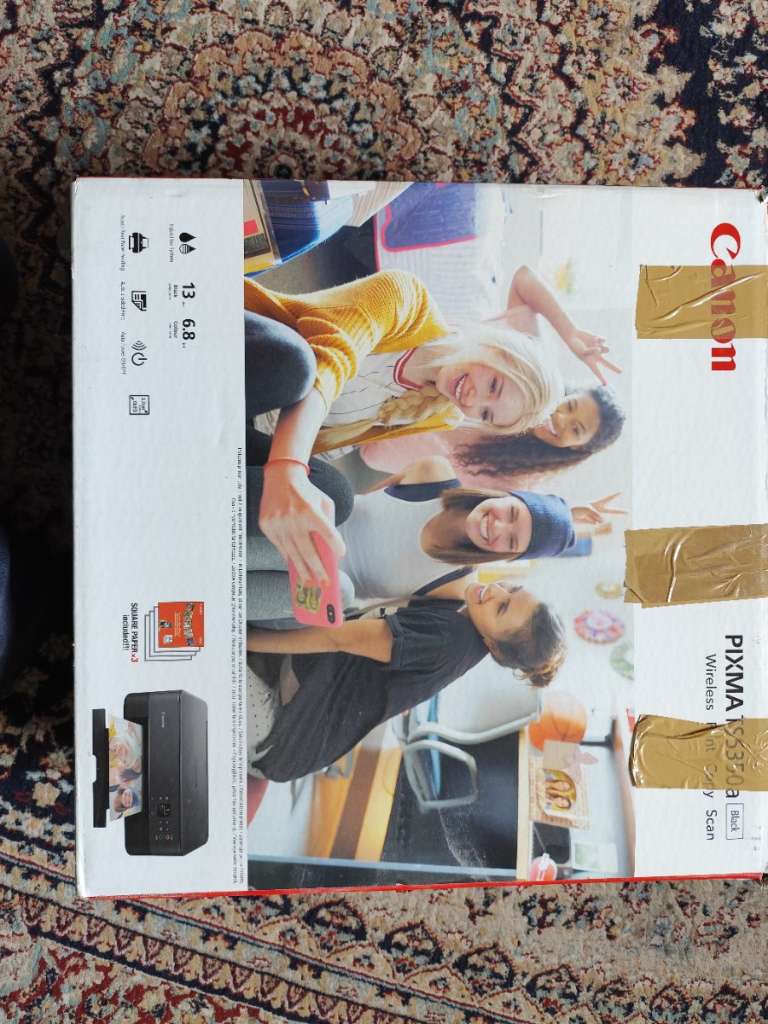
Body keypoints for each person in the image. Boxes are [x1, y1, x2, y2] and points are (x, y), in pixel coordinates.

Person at [243, 265, 616, 581]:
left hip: (267, 427)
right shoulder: (406, 298)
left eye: (486, 414)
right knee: (298, 369)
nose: (472, 400)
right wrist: (287, 468)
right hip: (257, 363)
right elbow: (330, 367)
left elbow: (340, 438)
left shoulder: (442, 412)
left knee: (335, 495)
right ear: (496, 349)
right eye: (493, 385)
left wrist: (295, 478)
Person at [245, 575, 566, 782]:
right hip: (293, 688)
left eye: (502, 607)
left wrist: (242, 639)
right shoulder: (464, 616)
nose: (495, 591)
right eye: (512, 588)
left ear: (493, 646)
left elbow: (336, 638)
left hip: (279, 736)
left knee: (219, 638)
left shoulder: (448, 639)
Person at [247, 454, 618, 623]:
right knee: (335, 504)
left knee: (341, 589)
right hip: (292, 524)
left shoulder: (454, 585)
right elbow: (364, 499)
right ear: (507, 495)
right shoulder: (432, 474)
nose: (498, 527)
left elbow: (373, 612)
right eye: (511, 514)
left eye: (510, 542)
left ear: (506, 558)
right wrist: (570, 512)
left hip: (301, 596)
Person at [361, 384, 626, 489]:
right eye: (569, 405)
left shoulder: (518, 478)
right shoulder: (521, 390)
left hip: (370, 448)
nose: (561, 418)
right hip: (379, 401)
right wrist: (568, 332)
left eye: (576, 429)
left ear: (579, 448)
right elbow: (523, 284)